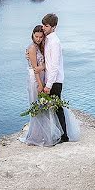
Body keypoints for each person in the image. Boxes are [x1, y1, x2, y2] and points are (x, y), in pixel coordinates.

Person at [19, 25, 62, 146]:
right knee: (37, 106)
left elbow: (43, 65)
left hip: (42, 77)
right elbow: (34, 70)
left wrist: (43, 67)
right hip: (35, 79)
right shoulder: (32, 48)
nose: (38, 39)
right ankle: (36, 136)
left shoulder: (41, 47)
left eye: (40, 37)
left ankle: (43, 135)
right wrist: (40, 84)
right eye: (36, 36)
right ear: (32, 35)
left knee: (42, 107)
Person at [41, 13, 80, 142]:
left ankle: (64, 136)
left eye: (46, 26)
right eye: (43, 25)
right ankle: (57, 134)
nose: (43, 28)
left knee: (57, 108)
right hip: (51, 80)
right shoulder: (48, 40)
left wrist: (48, 84)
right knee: (53, 107)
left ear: (54, 27)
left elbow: (55, 66)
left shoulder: (55, 42)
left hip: (55, 81)